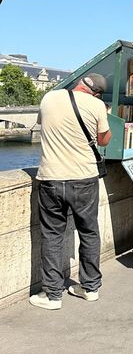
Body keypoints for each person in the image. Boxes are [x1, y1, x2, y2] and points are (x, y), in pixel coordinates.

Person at [30, 74, 111, 310]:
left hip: (51, 178)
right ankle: (90, 288)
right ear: (96, 93)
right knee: (89, 232)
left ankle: (53, 295)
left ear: (79, 83)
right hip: (84, 177)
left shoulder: (49, 97)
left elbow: (42, 123)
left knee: (52, 235)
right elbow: (104, 139)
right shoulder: (96, 105)